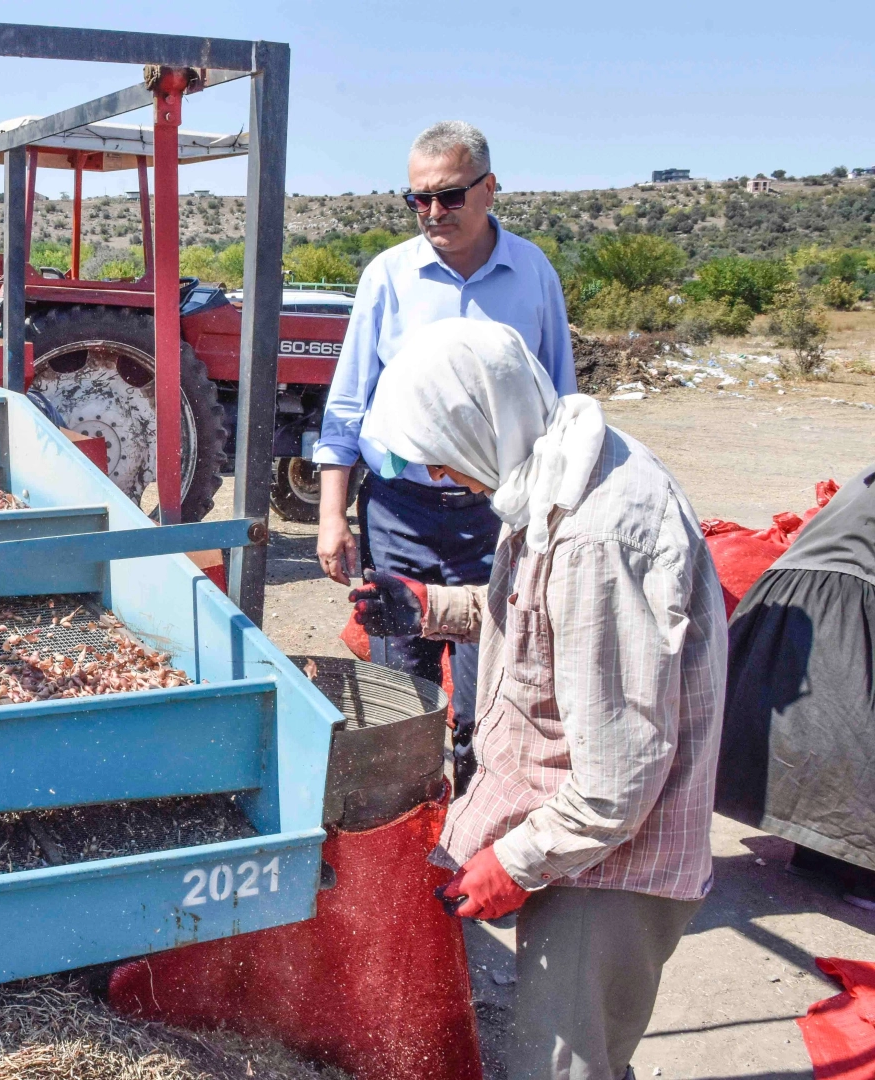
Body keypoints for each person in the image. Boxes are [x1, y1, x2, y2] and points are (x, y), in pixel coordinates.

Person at [348, 318, 725, 1080]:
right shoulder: (556, 470)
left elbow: (619, 785)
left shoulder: (597, 534)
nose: (446, 482)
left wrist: (515, 863)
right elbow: (542, 622)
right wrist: (428, 606)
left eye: (444, 462)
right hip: (585, 835)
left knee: (557, 1070)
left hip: (615, 866)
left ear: (481, 420)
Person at [312, 120, 575, 794]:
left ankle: (478, 819)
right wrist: (332, 516)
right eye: (418, 199)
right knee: (403, 682)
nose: (433, 213)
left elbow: (561, 406)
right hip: (399, 512)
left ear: (490, 189)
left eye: (450, 196)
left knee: (495, 677)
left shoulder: (533, 275)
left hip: (496, 513)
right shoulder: (389, 278)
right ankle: (411, 822)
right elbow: (346, 407)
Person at [716, 463, 875, 909]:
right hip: (845, 599)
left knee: (820, 725)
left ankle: (815, 853)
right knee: (851, 732)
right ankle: (863, 874)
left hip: (788, 592)